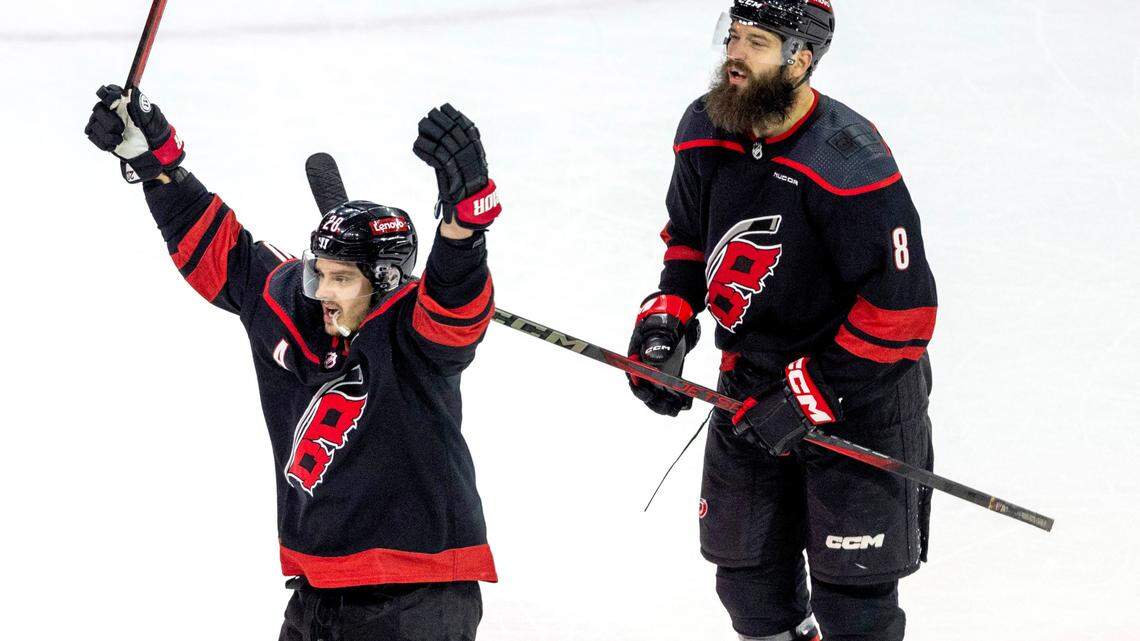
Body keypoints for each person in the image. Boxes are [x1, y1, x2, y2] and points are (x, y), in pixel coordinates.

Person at [85, 86, 503, 641]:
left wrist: (464, 227)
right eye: (319, 272)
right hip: (317, 590)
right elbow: (223, 251)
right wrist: (154, 162)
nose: (323, 291)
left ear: (385, 281)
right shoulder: (291, 305)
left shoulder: (415, 337)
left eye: (342, 278)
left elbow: (455, 307)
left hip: (417, 594)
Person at [626, 2, 937, 640]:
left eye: (757, 42)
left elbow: (903, 310)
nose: (734, 55)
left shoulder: (847, 160)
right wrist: (667, 323)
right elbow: (689, 239)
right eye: (733, 36)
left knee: (854, 606)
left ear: (801, 59)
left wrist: (811, 394)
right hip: (751, 383)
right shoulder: (704, 127)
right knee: (749, 588)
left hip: (858, 394)